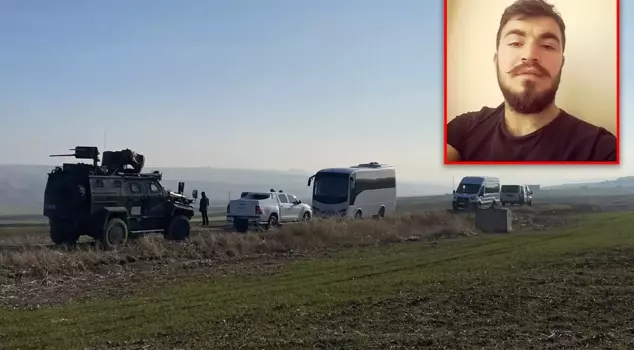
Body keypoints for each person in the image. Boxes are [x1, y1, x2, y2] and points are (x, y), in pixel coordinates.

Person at [446, 0, 617, 162]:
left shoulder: (601, 150)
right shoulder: (463, 129)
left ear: (561, 64)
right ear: (496, 60)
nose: (529, 56)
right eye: (515, 43)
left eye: (548, 46)